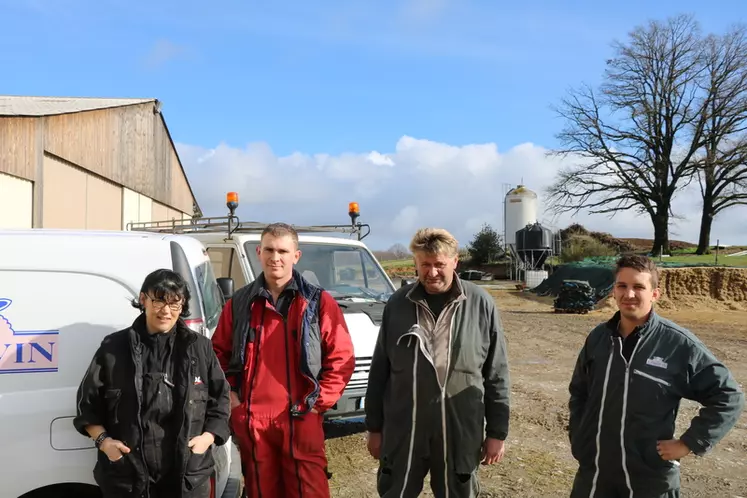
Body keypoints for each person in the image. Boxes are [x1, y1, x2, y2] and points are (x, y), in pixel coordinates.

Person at [568, 254, 745, 498]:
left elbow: (729, 396)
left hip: (649, 480)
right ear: (613, 291)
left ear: (655, 294)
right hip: (596, 476)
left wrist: (688, 443)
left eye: (639, 287)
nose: (629, 294)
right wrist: (580, 438)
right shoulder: (598, 338)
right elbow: (579, 392)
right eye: (622, 286)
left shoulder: (678, 345)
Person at [211, 222, 355, 498]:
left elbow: (341, 357)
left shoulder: (318, 302)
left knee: (310, 491)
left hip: (302, 415)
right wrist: (232, 397)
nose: (275, 257)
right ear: (258, 252)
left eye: (282, 251)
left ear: (295, 256)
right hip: (254, 420)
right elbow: (217, 353)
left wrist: (318, 402)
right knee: (262, 491)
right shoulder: (240, 303)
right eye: (269, 250)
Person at [364, 228, 511, 498]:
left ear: (455, 262)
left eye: (439, 265)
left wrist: (497, 433)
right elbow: (380, 371)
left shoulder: (480, 303)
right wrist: (374, 427)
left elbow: (496, 374)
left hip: (460, 428)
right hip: (404, 429)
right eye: (425, 265)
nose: (432, 273)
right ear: (416, 264)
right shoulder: (398, 304)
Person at [73, 269, 232, 498]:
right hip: (128, 477)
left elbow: (221, 401)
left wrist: (206, 439)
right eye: (159, 301)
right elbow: (87, 406)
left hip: (187, 477)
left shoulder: (200, 348)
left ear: (183, 305)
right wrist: (104, 442)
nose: (166, 311)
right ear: (143, 299)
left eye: (174, 304)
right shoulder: (113, 348)